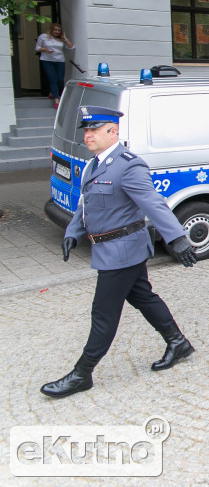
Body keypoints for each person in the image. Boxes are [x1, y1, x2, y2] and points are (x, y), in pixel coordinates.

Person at [41, 106, 198, 398]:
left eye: (94, 130)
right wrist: (73, 233)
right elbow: (85, 205)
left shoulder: (128, 165)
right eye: (86, 130)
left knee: (103, 313)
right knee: (143, 297)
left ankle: (82, 374)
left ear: (112, 132)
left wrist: (176, 237)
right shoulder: (93, 165)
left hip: (122, 251)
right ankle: (177, 342)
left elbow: (153, 202)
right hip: (111, 249)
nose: (87, 135)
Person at [35, 23, 74, 108]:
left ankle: (52, 93)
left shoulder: (61, 39)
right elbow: (37, 47)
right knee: (52, 79)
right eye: (55, 30)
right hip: (47, 60)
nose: (57, 32)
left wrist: (65, 38)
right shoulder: (43, 37)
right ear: (51, 30)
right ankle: (56, 100)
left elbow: (71, 47)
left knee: (60, 79)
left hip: (59, 61)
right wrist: (45, 50)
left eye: (59, 30)